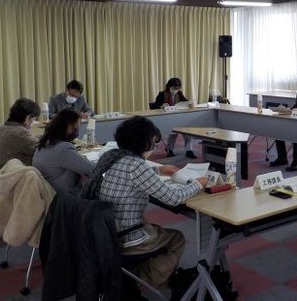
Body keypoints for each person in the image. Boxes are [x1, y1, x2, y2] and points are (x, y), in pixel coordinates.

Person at [82, 116, 207, 291]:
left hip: (103, 231)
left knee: (154, 227)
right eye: (153, 144)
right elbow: (173, 198)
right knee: (176, 238)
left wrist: (159, 169)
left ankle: (134, 273)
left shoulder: (110, 156)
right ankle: (145, 283)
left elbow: (129, 172)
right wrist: (198, 184)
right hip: (126, 236)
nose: (154, 148)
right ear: (143, 143)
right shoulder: (136, 165)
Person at [33, 108, 94, 194]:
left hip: (49, 192)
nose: (77, 130)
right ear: (68, 126)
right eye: (77, 127)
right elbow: (92, 169)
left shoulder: (44, 143)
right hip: (64, 199)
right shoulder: (63, 149)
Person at [0, 98, 40, 171]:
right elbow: (41, 149)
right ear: (28, 118)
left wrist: (43, 137)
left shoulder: (1, 128)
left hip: (0, 171)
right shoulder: (21, 133)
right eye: (33, 120)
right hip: (13, 176)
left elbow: (30, 142)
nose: (32, 124)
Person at [153, 77, 197, 159]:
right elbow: (155, 105)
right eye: (173, 88)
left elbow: (185, 102)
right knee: (173, 133)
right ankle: (170, 150)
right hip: (167, 118)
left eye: (177, 88)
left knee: (187, 132)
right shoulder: (162, 94)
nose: (175, 90)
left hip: (179, 117)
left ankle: (189, 150)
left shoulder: (179, 93)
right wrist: (161, 106)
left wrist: (190, 104)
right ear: (169, 87)